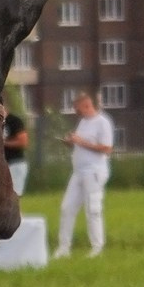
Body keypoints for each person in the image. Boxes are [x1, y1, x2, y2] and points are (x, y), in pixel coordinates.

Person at [52, 91, 116, 261]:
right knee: (67, 208)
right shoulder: (82, 122)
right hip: (78, 172)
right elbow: (80, 143)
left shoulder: (103, 122)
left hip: (94, 172)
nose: (76, 111)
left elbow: (107, 149)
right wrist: (71, 142)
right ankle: (63, 247)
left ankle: (97, 246)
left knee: (93, 209)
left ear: (87, 105)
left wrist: (81, 142)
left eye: (77, 108)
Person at [2, 111, 30, 196]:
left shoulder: (14, 121)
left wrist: (3, 143)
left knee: (14, 195)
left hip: (15, 163)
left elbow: (23, 142)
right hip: (1, 164)